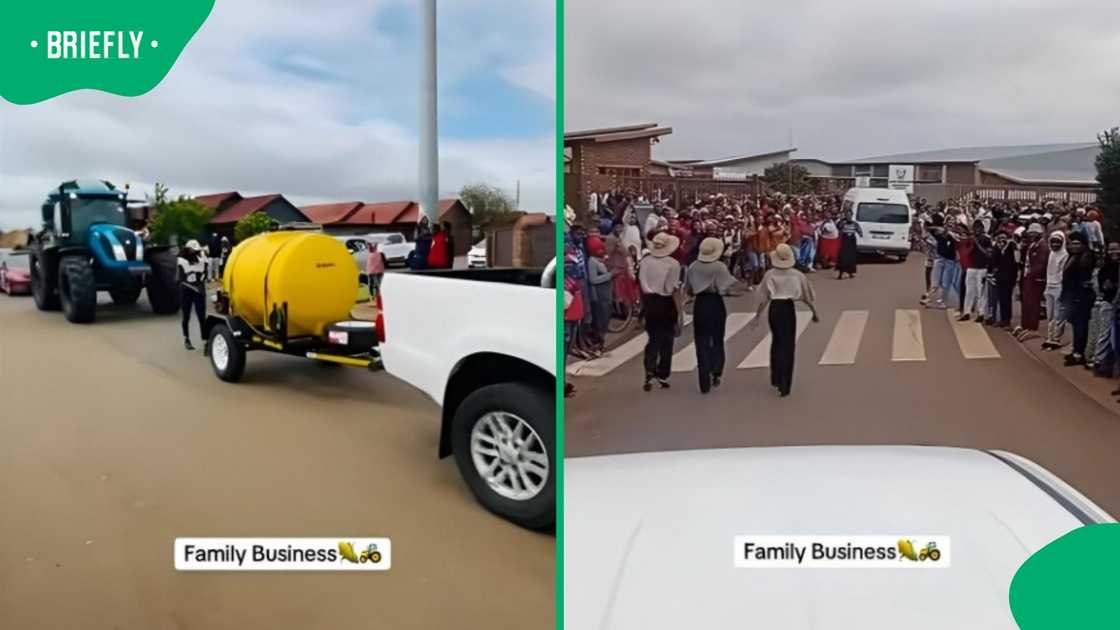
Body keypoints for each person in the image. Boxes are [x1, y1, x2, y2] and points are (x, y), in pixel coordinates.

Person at [751, 243, 819, 397]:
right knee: (788, 345)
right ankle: (785, 383)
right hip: (788, 308)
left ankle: (775, 377)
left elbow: (763, 298)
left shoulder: (770, 274)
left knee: (776, 342)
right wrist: (814, 312)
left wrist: (757, 315)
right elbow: (806, 296)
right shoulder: (797, 275)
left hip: (775, 308)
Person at [686, 237, 744, 394]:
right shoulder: (719, 267)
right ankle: (716, 371)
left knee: (701, 340)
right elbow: (730, 286)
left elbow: (689, 289)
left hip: (700, 303)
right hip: (715, 302)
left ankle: (703, 376)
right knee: (717, 339)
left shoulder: (693, 266)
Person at [638, 232, 682, 392]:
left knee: (653, 338)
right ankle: (663, 372)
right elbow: (671, 288)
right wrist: (679, 311)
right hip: (665, 302)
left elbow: (642, 285)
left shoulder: (645, 262)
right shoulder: (672, 264)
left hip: (650, 303)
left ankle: (649, 368)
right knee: (667, 340)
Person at [1061, 231, 1096, 366]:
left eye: (1077, 243)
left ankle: (1078, 354)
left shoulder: (1086, 258)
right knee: (1076, 325)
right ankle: (1076, 350)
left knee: (1081, 325)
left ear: (1083, 244)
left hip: (1082, 297)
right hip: (1072, 296)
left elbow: (1083, 279)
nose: (1074, 246)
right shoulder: (1073, 257)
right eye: (1072, 243)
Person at [1016, 223, 1048, 340]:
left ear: (1039, 233)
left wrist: (1032, 275)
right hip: (1027, 277)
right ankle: (1026, 326)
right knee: (1026, 303)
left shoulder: (1043, 246)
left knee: (1033, 304)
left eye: (1033, 233)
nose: (1031, 235)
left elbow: (1040, 264)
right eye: (1030, 233)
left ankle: (1032, 328)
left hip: (1035, 279)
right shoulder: (1032, 245)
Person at [177, 240, 207, 350]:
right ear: (187, 250)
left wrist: (201, 283)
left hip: (199, 291)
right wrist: (195, 287)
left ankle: (205, 340)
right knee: (186, 316)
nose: (195, 252)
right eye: (192, 250)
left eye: (196, 251)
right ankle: (187, 339)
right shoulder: (181, 261)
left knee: (201, 316)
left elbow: (204, 275)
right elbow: (182, 279)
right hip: (186, 291)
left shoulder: (202, 260)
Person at [1041, 231, 1069, 350]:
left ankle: (1056, 338)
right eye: (1053, 242)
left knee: (1059, 314)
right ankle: (1050, 337)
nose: (1055, 244)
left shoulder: (1065, 255)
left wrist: (1062, 287)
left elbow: (1062, 273)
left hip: (1059, 286)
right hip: (1049, 286)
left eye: (1058, 242)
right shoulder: (1051, 254)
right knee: (1050, 314)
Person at [959, 221, 992, 322]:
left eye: (978, 228)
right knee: (969, 291)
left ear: (982, 228)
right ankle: (967, 312)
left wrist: (976, 243)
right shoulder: (971, 239)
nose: (976, 230)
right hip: (971, 267)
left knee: (980, 293)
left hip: (982, 268)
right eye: (975, 228)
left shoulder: (986, 239)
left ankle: (981, 313)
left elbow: (988, 254)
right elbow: (965, 251)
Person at [990, 231, 1019, 327]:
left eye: (1004, 237)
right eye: (999, 237)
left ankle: (1007, 321)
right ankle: (1002, 319)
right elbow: (993, 261)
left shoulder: (1012, 246)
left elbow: (1017, 261)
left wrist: (1015, 278)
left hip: (1009, 277)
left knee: (1007, 299)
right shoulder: (997, 248)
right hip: (999, 277)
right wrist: (997, 248)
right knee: (1001, 299)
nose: (1001, 239)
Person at [835, 210, 862, 279]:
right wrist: (841, 220)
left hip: (851, 240)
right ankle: (840, 273)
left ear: (852, 215)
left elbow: (860, 231)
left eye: (850, 215)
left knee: (851, 257)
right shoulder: (843, 223)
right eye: (847, 215)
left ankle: (850, 273)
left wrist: (859, 233)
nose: (848, 216)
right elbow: (838, 227)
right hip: (845, 240)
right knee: (843, 256)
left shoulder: (855, 224)